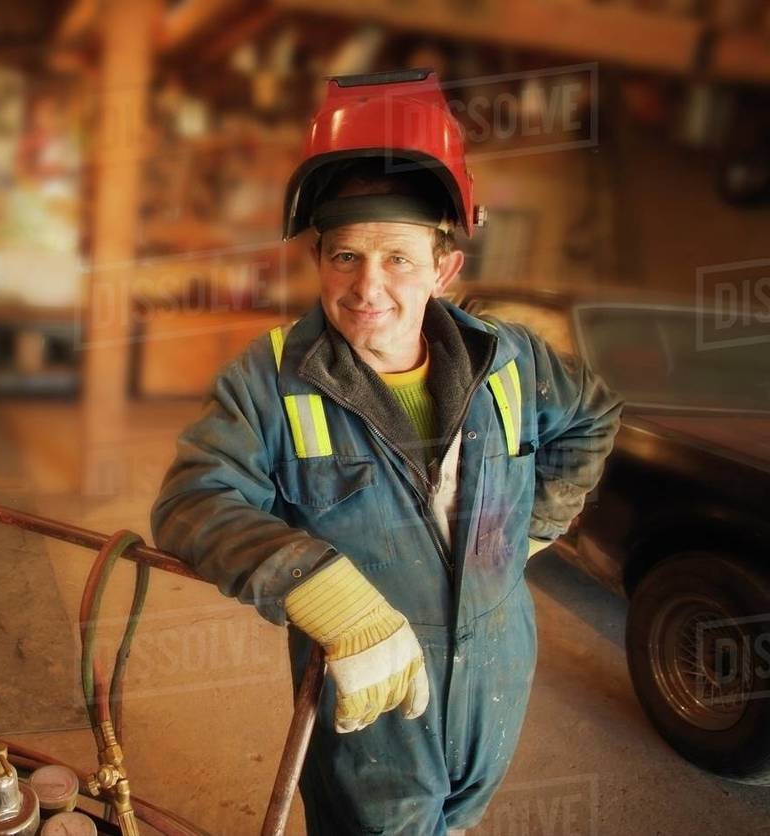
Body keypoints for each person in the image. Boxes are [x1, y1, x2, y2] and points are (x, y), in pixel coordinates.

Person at [151, 69, 623, 834]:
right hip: (371, 692)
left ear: (444, 267)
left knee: (461, 818)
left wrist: (532, 528)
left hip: (500, 668)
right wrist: (320, 587)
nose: (369, 286)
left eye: (398, 258)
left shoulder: (512, 359)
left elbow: (592, 415)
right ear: (318, 259)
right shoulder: (268, 379)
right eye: (345, 257)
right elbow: (191, 501)